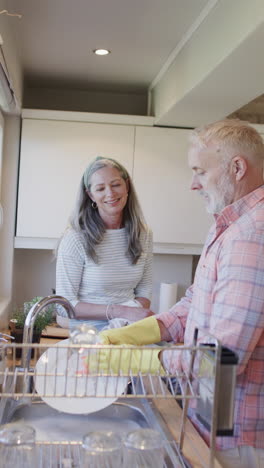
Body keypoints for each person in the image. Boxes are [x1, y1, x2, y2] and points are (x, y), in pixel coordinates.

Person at [99, 120, 264, 468]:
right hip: (211, 416)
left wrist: (145, 361)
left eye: (200, 172)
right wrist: (146, 330)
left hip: (237, 435)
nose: (192, 184)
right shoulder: (228, 225)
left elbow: (222, 359)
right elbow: (196, 301)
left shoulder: (253, 236)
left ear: (237, 168)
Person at [56, 156, 153, 331]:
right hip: (87, 336)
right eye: (100, 188)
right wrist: (119, 311)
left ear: (127, 186)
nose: (110, 193)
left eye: (116, 185)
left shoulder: (143, 234)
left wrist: (123, 321)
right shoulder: (75, 238)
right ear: (90, 195)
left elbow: (144, 291)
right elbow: (64, 305)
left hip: (127, 331)